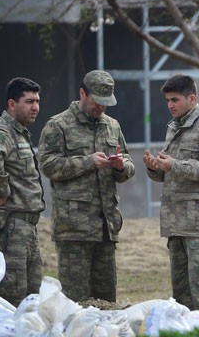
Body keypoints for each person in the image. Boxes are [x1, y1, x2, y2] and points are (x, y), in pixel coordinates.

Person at [39, 70, 135, 303]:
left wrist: (121, 167)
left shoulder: (112, 126)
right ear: (83, 93)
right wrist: (87, 162)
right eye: (97, 102)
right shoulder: (58, 125)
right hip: (74, 229)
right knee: (76, 300)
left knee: (106, 300)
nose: (101, 108)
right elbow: (48, 165)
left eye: (106, 103)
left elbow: (128, 162)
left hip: (106, 226)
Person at [144, 74, 199, 311]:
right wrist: (155, 167)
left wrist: (174, 164)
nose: (170, 105)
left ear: (192, 98)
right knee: (181, 299)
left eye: (175, 100)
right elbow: (170, 171)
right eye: (168, 100)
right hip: (177, 224)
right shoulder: (174, 127)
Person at [0, 78, 46, 306]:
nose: (35, 107)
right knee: (12, 295)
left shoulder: (19, 133)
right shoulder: (3, 131)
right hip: (11, 225)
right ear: (11, 104)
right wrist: (1, 190)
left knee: (32, 293)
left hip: (27, 226)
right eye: (29, 101)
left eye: (37, 101)